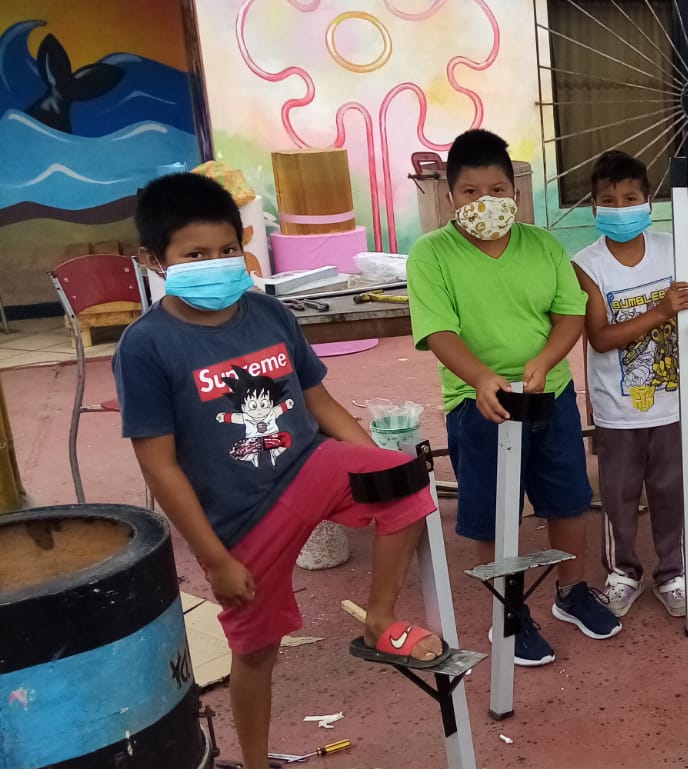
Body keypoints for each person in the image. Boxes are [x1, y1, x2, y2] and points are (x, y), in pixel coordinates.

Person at [115, 173, 444, 769]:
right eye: (194, 255)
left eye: (225, 250)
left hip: (308, 465)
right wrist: (215, 559)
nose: (215, 265)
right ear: (152, 260)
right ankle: (256, 761)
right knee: (258, 650)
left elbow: (319, 402)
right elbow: (159, 466)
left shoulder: (269, 313)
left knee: (404, 481)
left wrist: (374, 466)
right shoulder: (146, 346)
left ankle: (380, 620)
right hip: (240, 517)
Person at [408, 129, 621, 666]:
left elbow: (569, 312)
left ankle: (572, 591)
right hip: (476, 401)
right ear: (450, 198)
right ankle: (510, 611)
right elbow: (438, 332)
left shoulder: (543, 245)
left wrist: (546, 361)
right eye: (470, 192)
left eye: (497, 190)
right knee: (492, 513)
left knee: (569, 498)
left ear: (516, 194)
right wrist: (481, 377)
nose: (486, 203)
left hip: (549, 393)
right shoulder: (431, 254)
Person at [571, 150, 688, 617]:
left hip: (670, 404)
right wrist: (660, 312)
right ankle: (622, 573)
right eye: (609, 200)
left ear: (648, 201)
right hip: (617, 409)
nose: (621, 208)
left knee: (669, 491)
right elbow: (600, 337)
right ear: (594, 206)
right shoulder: (586, 265)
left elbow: (684, 291)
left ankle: (672, 574)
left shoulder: (669, 247)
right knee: (618, 496)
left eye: (630, 198)